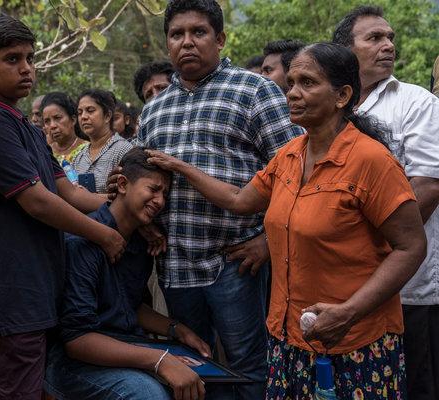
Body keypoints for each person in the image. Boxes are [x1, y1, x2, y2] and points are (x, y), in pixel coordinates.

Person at [147, 42, 427, 399]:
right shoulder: (289, 156)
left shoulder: (371, 161)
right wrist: (180, 167)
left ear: (342, 95)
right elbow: (238, 199)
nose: (292, 93)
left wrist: (348, 313)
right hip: (289, 336)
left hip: (354, 339)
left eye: (307, 83)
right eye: (291, 82)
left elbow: (411, 246)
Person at [117, 1, 303, 397]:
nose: (187, 42)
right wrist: (146, 224)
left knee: (248, 364)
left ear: (219, 38)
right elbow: (140, 178)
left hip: (235, 262)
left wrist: (268, 243)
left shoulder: (255, 90)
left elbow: (297, 172)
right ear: (167, 44)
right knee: (195, 364)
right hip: (175, 264)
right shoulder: (153, 109)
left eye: (198, 32)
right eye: (176, 34)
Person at [0, 13, 126, 399]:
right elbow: (37, 201)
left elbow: (69, 192)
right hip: (11, 285)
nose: (26, 68)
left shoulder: (29, 130)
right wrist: (105, 234)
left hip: (38, 283)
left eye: (30, 58)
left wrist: (120, 202)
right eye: (12, 59)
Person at [45, 148, 210, 400]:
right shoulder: (83, 241)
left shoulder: (142, 241)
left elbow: (126, 304)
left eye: (164, 194)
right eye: (153, 189)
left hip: (125, 344)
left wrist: (177, 329)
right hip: (72, 362)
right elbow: (77, 340)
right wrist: (160, 361)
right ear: (122, 184)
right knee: (149, 394)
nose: (160, 201)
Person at [333, 7, 439, 399]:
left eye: (389, 37)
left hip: (405, 283)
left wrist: (365, 246)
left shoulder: (416, 102)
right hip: (343, 283)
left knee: (412, 384)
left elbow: (427, 187)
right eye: (374, 38)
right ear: (345, 50)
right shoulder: (334, 108)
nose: (388, 45)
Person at [74, 89, 133, 193]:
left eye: (90, 110)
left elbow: (129, 195)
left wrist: (87, 198)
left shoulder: (124, 150)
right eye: (80, 112)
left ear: (107, 116)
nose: (83, 117)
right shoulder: (79, 157)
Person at [39, 92, 87, 163]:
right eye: (47, 121)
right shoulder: (44, 153)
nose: (52, 126)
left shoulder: (88, 150)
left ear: (73, 120)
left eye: (57, 118)